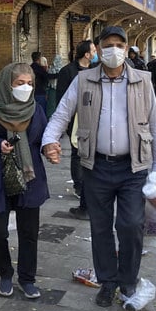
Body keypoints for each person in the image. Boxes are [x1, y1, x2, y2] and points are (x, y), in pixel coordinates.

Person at [42, 26, 156, 309]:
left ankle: (128, 280)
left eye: (119, 44)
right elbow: (62, 113)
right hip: (96, 166)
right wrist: (49, 140)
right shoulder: (83, 80)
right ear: (98, 49)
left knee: (131, 224)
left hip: (132, 168)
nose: (114, 49)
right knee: (100, 228)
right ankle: (108, 282)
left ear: (126, 48)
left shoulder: (142, 81)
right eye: (108, 44)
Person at [0, 62, 50, 300]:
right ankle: (5, 274)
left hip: (29, 177)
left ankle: (27, 279)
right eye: (19, 83)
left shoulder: (36, 109)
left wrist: (52, 148)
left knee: (29, 232)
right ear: (7, 84)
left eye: (29, 83)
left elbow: (45, 137)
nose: (25, 88)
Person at [55, 39, 99, 220]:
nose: (96, 53)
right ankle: (79, 185)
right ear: (86, 54)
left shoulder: (96, 70)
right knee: (76, 152)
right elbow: (62, 100)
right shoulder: (68, 72)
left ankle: (87, 195)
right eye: (94, 50)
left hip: (93, 119)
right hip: (75, 120)